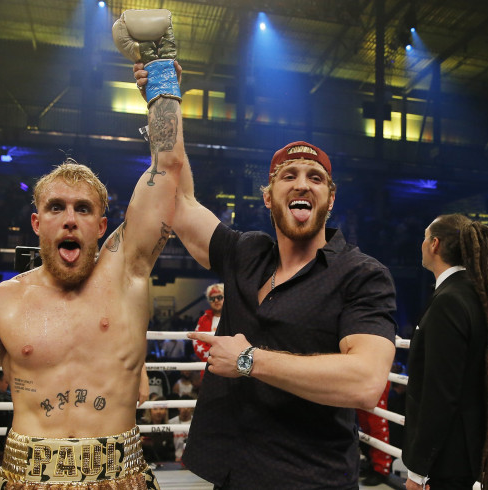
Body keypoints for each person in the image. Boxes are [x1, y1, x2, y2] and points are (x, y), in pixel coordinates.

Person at [0, 10, 184, 489]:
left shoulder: (127, 273)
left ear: (101, 225)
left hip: (122, 477)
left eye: (83, 210)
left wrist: (162, 73)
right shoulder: (1, 303)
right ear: (37, 222)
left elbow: (168, 172)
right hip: (24, 478)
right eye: (56, 208)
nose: (70, 218)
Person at [136, 67, 397, 488]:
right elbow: (179, 199)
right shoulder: (246, 252)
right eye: (289, 176)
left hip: (311, 480)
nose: (303, 184)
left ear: (330, 198)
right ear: (268, 195)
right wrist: (163, 94)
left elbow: (366, 381)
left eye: (316, 178)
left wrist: (248, 360)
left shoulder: (362, 275)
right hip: (232, 474)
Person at [402, 214, 488, 490]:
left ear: (434, 244)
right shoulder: (474, 293)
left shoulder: (449, 301)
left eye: (424, 238)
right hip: (464, 450)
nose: (421, 245)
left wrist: (419, 471)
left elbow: (440, 393)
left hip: (446, 460)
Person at [192, 283, 224, 363]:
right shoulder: (203, 319)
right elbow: (197, 342)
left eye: (219, 297)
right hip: (208, 366)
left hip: (231, 366)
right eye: (212, 298)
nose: (216, 300)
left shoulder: (234, 317)